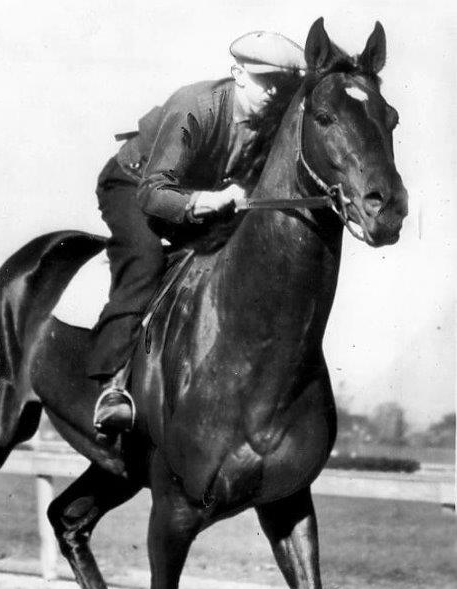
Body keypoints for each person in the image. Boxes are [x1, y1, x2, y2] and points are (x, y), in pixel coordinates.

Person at [90, 31, 306, 436]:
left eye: (283, 86)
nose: (274, 93)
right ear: (238, 74)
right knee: (146, 260)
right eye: (266, 82)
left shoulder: (271, 122)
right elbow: (153, 192)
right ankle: (113, 387)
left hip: (197, 194)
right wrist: (201, 203)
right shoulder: (196, 106)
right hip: (134, 185)